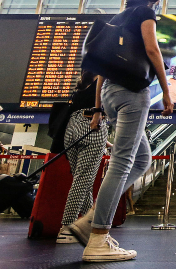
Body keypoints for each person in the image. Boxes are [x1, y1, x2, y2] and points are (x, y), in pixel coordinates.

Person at [69, 0, 174, 262]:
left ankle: (92, 221)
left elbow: (103, 67)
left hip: (111, 96)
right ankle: (98, 235)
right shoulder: (145, 13)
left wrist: (99, 106)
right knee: (123, 161)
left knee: (141, 160)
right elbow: (152, 49)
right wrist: (166, 92)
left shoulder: (119, 17)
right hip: (132, 94)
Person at [57, 72, 112, 244]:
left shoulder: (81, 88)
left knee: (83, 182)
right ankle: (66, 228)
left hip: (71, 129)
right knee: (82, 180)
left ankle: (87, 229)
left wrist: (107, 144)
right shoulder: (102, 83)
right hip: (93, 125)